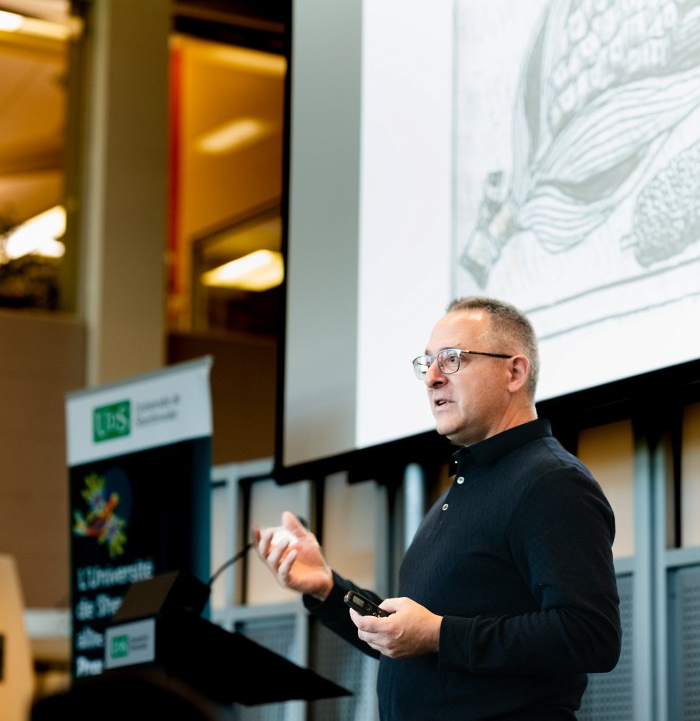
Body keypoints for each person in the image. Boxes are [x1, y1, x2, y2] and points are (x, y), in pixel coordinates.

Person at [255, 296, 621, 719]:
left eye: (451, 359)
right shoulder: (467, 483)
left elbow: (591, 635)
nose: (431, 377)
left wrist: (439, 634)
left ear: (514, 372)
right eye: (427, 362)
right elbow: (407, 643)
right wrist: (326, 588)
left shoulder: (551, 480)